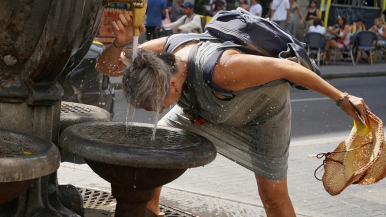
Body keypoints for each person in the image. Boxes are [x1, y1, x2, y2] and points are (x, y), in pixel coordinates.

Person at [97, 10, 370, 217]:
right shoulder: (155, 60)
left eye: (158, 105)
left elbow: (286, 69)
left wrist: (340, 98)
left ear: (172, 84)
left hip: (261, 114)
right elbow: (106, 68)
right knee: (155, 161)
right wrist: (119, 45)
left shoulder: (224, 68)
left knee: (273, 196)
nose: (160, 111)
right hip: (204, 109)